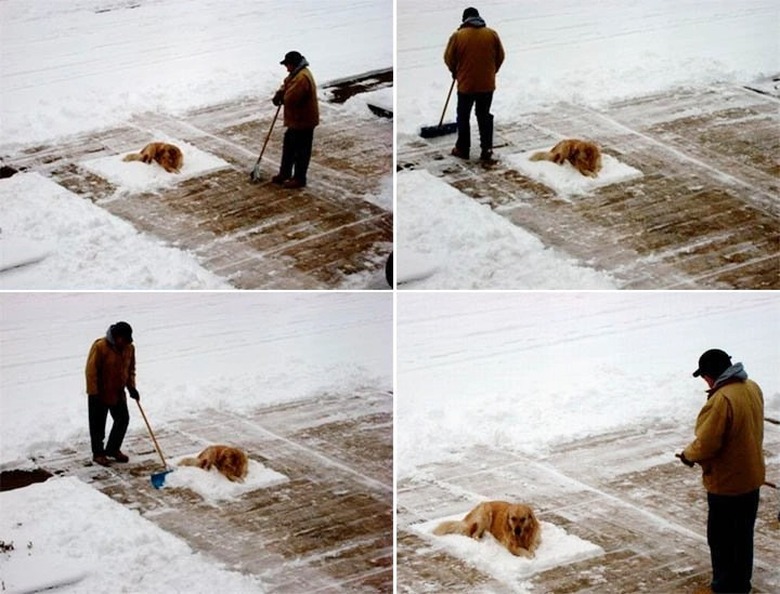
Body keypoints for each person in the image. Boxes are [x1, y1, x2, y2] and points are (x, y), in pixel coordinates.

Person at [678, 348, 765, 594]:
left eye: (705, 376)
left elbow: (707, 443)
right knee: (742, 538)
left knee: (722, 540)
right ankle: (740, 585)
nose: (705, 381)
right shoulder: (752, 387)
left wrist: (688, 455)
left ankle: (725, 588)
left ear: (712, 374)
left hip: (727, 484)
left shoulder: (722, 399)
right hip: (751, 477)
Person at [444, 7, 505, 163]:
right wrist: (491, 72)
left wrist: (455, 71)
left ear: (464, 20)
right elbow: (500, 56)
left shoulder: (458, 36)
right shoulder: (491, 34)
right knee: (484, 115)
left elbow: (448, 58)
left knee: (463, 116)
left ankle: (463, 149)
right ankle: (487, 149)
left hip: (466, 85)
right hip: (487, 85)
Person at [85, 321, 139, 466]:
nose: (127, 342)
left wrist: (131, 387)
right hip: (99, 392)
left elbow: (130, 370)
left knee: (123, 419)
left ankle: (112, 449)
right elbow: (91, 372)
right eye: (124, 339)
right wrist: (94, 393)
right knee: (98, 425)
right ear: (116, 336)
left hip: (118, 392)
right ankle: (98, 453)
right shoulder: (100, 346)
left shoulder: (129, 348)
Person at [272, 50, 320, 189]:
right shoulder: (296, 74)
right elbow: (287, 84)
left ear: (293, 64)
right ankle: (285, 173)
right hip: (296, 121)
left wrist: (282, 97)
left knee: (301, 151)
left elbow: (292, 98)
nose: (286, 68)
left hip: (304, 121)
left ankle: (299, 178)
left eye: (287, 65)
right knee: (289, 146)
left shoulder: (302, 78)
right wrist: (280, 92)